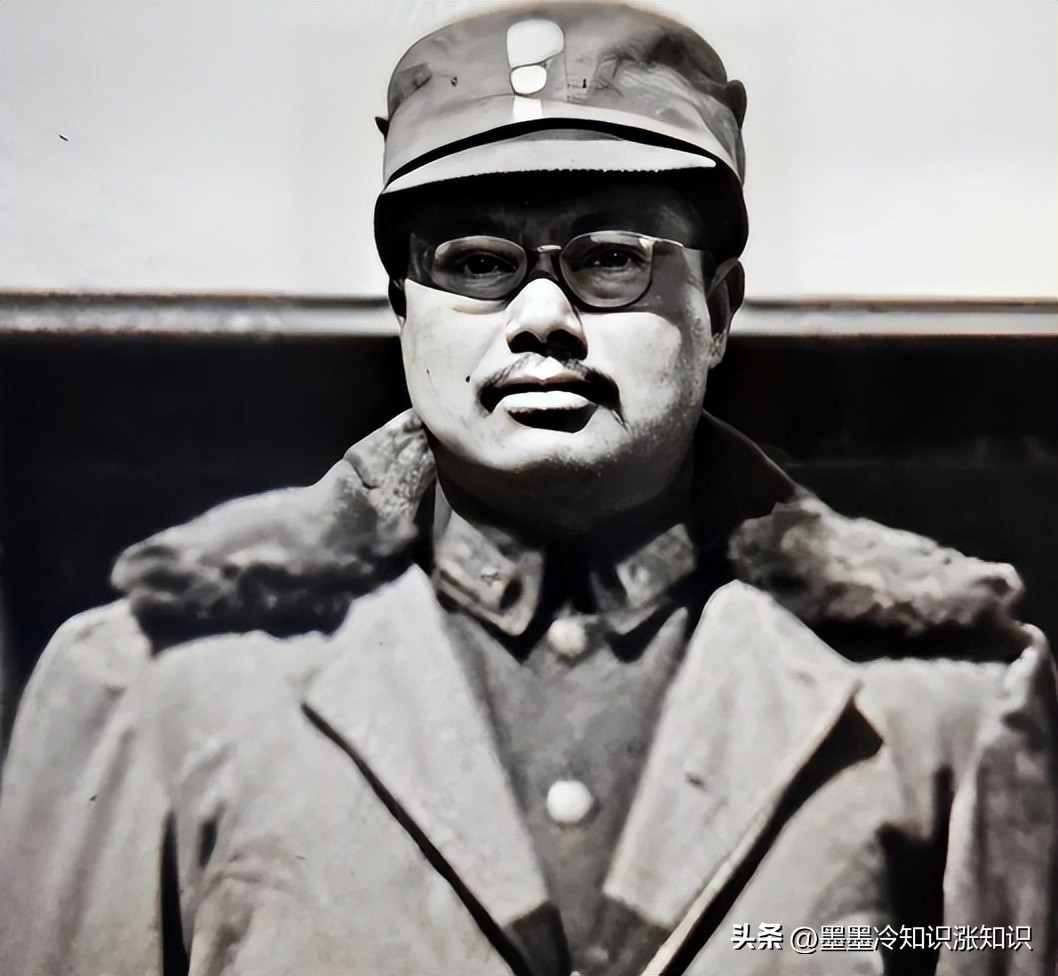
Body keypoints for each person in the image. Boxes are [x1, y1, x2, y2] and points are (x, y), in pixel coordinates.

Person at [1, 4, 1054, 975]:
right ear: (402, 308)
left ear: (719, 309)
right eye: (474, 263)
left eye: (610, 258)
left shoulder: (939, 700)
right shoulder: (153, 690)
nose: (542, 318)